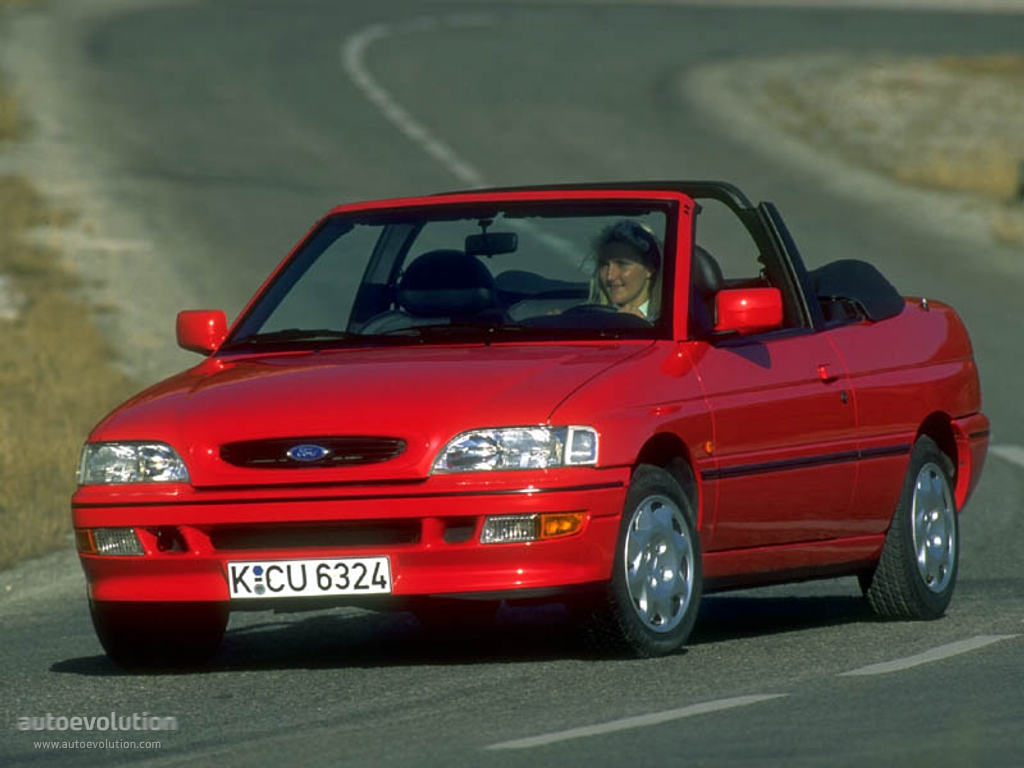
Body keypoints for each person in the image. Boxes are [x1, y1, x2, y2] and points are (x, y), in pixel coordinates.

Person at [588, 219, 662, 319]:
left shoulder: (670, 321)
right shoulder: (588, 319)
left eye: (622, 264)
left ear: (650, 268)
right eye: (604, 265)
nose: (610, 276)